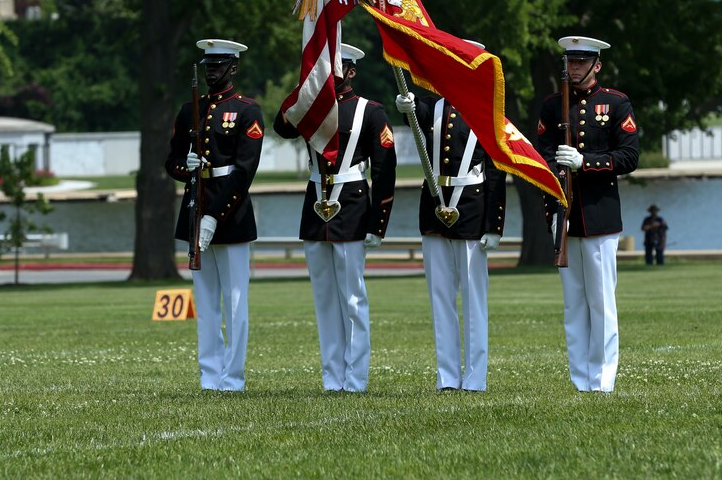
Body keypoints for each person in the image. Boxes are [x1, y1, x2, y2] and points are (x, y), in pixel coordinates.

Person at [274, 43, 397, 392]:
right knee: (324, 299)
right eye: (324, 67)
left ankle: (355, 378)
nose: (330, 73)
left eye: (336, 67)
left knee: (352, 298)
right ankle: (332, 377)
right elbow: (281, 126)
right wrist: (302, 88)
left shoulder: (370, 112)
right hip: (316, 202)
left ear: (352, 71)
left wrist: (379, 223)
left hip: (353, 204)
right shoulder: (311, 109)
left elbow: (385, 169)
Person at [395, 47, 505, 392]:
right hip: (435, 205)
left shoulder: (487, 110)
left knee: (473, 298)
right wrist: (406, 108)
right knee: (440, 296)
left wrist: (494, 224)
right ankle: (446, 376)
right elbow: (414, 115)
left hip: (472, 206)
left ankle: (475, 377)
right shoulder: (433, 108)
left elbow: (497, 171)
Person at [538, 35, 639, 393]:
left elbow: (629, 157)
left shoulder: (615, 104)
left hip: (599, 215)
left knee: (601, 303)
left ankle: (603, 378)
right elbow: (542, 156)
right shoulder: (552, 106)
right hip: (567, 216)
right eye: (570, 61)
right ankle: (580, 379)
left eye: (582, 61)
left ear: (596, 65)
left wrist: (586, 163)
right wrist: (552, 203)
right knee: (574, 306)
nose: (574, 67)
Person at [166, 38, 264, 392]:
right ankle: (210, 375)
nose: (211, 72)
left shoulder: (247, 111)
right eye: (207, 66)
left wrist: (215, 216)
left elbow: (244, 170)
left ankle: (233, 377)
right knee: (205, 302)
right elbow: (172, 161)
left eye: (218, 66)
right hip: (196, 204)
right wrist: (185, 165)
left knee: (236, 301)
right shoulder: (189, 108)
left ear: (233, 68)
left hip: (230, 211)